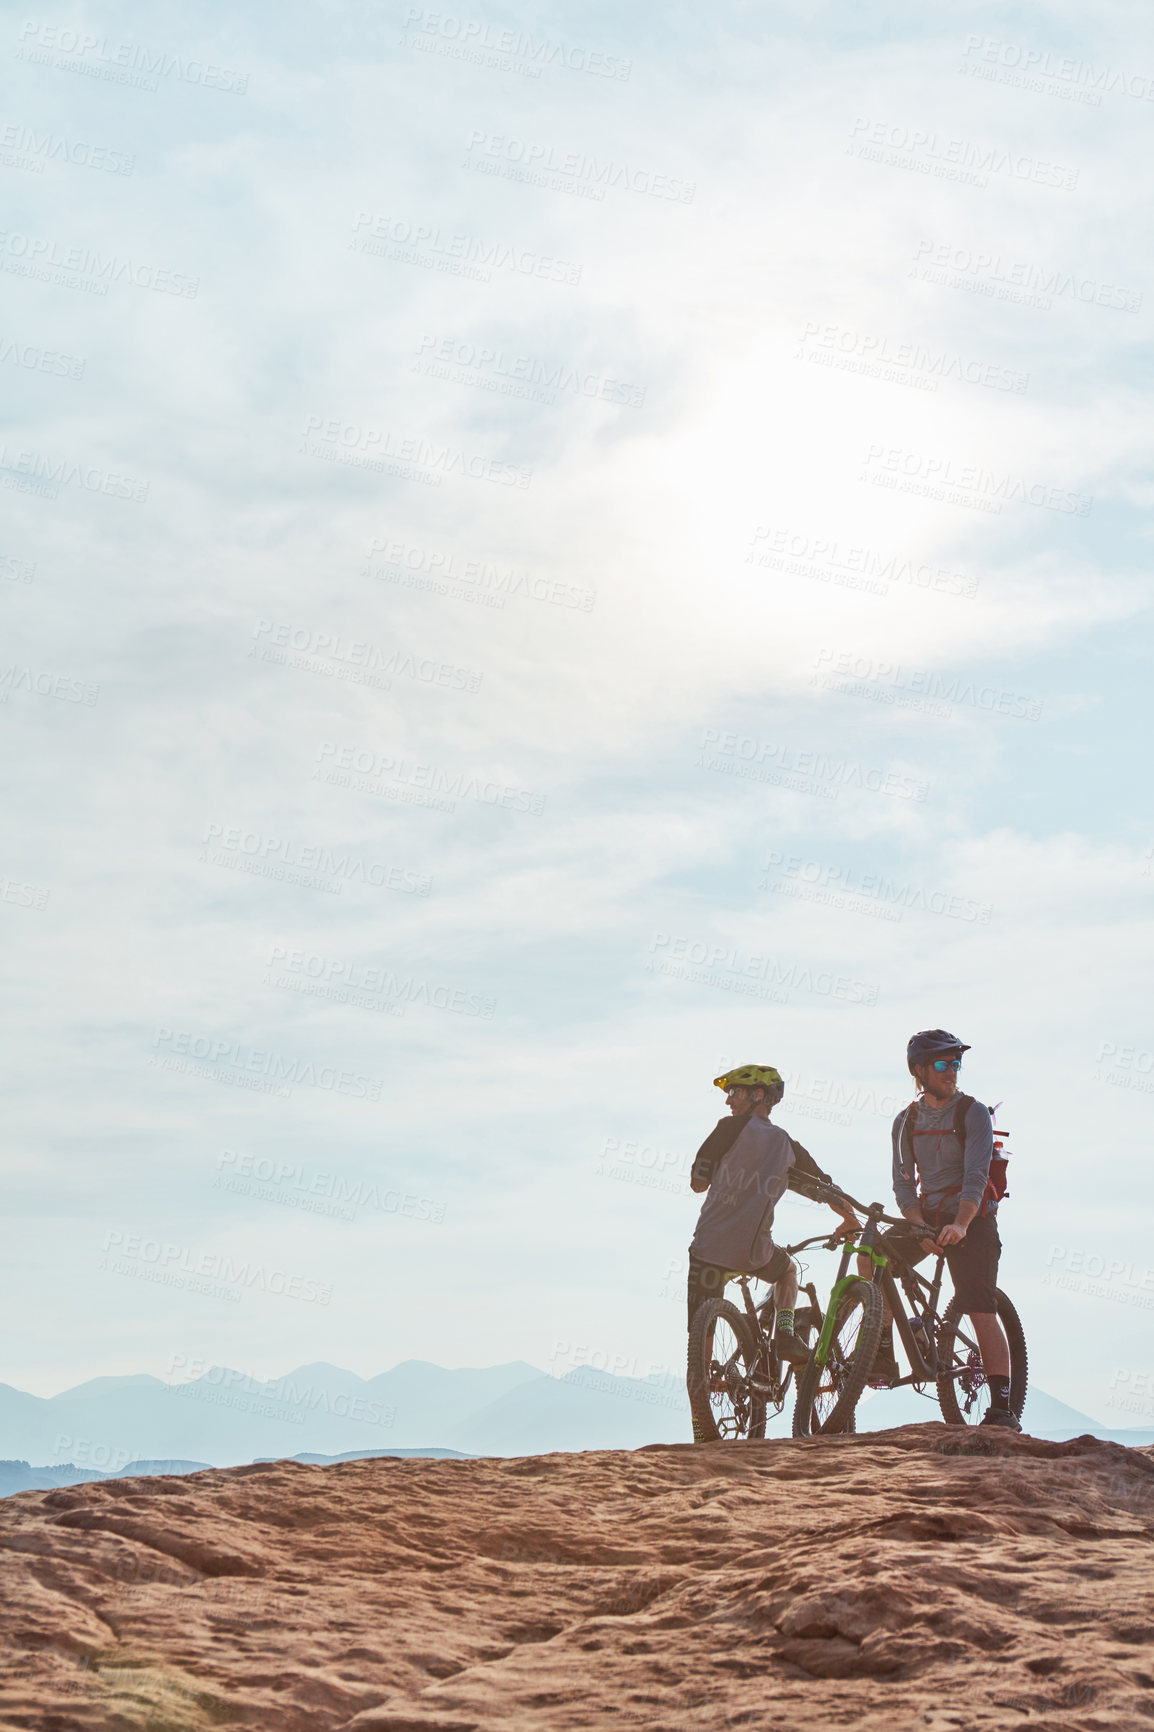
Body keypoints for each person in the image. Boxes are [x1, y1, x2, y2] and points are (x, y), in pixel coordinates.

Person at [869, 1028, 1019, 1431]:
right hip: (930, 1217)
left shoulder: (972, 1112)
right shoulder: (906, 1121)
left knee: (979, 1305)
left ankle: (1002, 1408)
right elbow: (904, 1182)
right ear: (919, 1070)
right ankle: (883, 1348)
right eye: (942, 1064)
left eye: (955, 1063)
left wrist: (961, 1224)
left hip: (973, 1218)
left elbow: (975, 1176)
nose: (951, 1071)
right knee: (871, 1257)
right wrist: (918, 1225)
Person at [687, 1064, 858, 1379]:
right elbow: (826, 1190)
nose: (728, 1101)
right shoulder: (786, 1147)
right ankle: (785, 1335)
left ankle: (701, 1421)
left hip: (706, 1251)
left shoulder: (727, 1129)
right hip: (753, 1253)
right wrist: (849, 1219)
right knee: (788, 1270)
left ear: (758, 1095)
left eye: (733, 1092)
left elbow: (698, 1182)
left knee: (698, 1355)